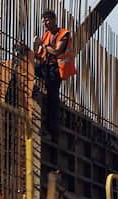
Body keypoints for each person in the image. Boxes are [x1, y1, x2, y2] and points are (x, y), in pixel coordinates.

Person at [33, 9, 77, 139]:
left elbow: (57, 52)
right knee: (29, 65)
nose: (45, 24)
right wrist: (31, 53)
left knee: (52, 99)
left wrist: (42, 45)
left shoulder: (63, 34)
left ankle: (51, 131)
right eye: (43, 21)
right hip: (45, 67)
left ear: (53, 20)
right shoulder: (46, 36)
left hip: (55, 71)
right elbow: (41, 55)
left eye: (46, 20)